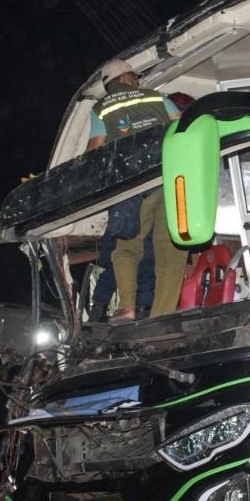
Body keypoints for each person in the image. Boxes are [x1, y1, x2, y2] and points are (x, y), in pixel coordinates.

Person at [85, 59, 190, 321]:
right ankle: (162, 315)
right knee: (171, 250)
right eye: (135, 77)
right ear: (127, 77)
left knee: (126, 249)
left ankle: (128, 307)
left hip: (133, 187)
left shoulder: (102, 108)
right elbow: (183, 129)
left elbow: (96, 151)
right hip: (170, 179)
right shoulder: (158, 98)